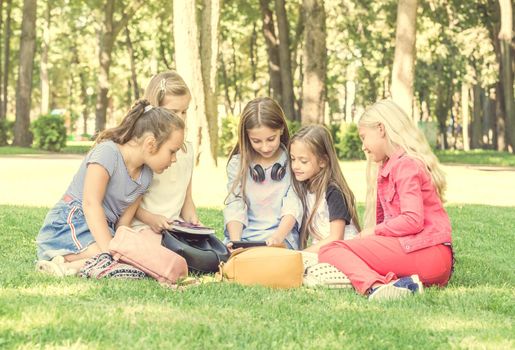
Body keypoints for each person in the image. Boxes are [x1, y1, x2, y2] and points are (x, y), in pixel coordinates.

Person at [319, 99, 453, 300]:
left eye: (364, 137)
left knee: (331, 249)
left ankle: (376, 286)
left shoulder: (406, 165)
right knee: (346, 249)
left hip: (428, 254)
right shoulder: (389, 168)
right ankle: (403, 285)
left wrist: (373, 231)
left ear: (381, 129)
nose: (363, 146)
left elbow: (412, 219)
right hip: (427, 258)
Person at [35, 100, 185, 276]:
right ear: (151, 144)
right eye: (172, 151)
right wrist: (110, 249)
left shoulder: (146, 177)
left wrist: (123, 248)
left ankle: (66, 268)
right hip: (72, 221)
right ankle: (65, 257)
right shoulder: (107, 153)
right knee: (113, 255)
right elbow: (91, 204)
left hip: (104, 229)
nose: (174, 159)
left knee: (128, 259)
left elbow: (123, 223)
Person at [223, 97, 301, 249]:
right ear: (246, 136)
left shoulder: (294, 161)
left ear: (281, 130)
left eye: (271, 139)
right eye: (256, 141)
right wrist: (236, 243)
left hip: (282, 238)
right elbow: (235, 205)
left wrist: (277, 238)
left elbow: (294, 204)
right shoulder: (237, 164)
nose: (265, 147)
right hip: (245, 239)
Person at [131, 71, 199, 233]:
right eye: (173, 112)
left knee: (213, 254)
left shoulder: (187, 150)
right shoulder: (144, 152)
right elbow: (127, 202)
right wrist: (151, 219)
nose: (180, 118)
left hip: (175, 229)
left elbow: (187, 200)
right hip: (143, 228)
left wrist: (193, 221)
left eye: (184, 111)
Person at [290, 124, 360, 254]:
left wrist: (303, 254)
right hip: (323, 251)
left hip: (344, 251)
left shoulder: (334, 192)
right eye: (293, 159)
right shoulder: (305, 188)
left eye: (303, 161)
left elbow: (336, 238)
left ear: (323, 161)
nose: (295, 166)